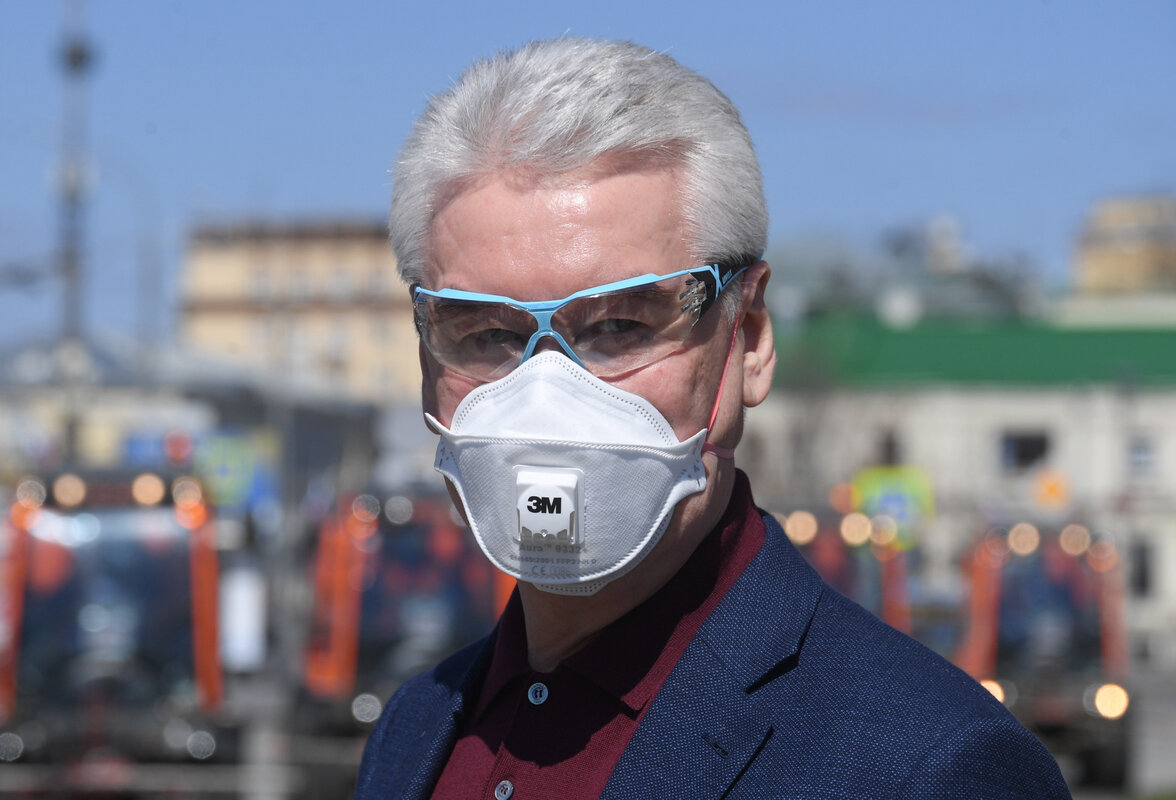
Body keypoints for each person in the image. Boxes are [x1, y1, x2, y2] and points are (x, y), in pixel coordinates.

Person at [356, 38, 1070, 799]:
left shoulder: (929, 766)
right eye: (485, 333)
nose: (546, 396)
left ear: (750, 340)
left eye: (621, 325)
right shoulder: (413, 731)